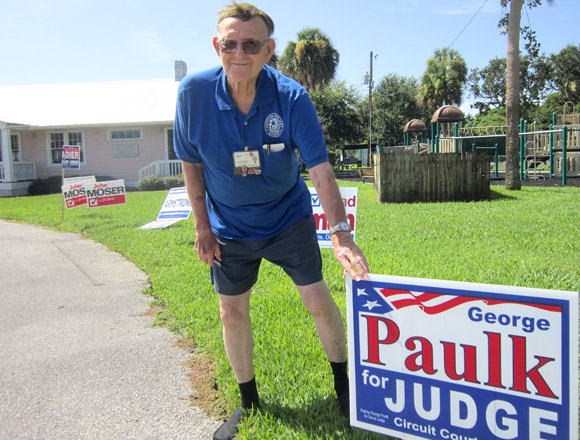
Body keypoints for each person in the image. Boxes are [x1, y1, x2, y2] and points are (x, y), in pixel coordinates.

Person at [173, 3, 370, 439]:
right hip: (228, 226)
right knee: (231, 312)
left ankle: (344, 390)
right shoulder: (193, 95)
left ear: (268, 50)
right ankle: (249, 404)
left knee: (318, 302)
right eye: (230, 43)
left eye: (251, 44)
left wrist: (340, 235)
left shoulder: (291, 97)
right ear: (216, 46)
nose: (239, 52)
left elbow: (319, 170)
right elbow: (190, 164)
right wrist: (202, 227)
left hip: (288, 218)